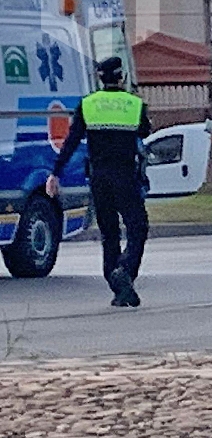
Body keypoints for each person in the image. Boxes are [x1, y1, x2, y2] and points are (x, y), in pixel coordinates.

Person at [45, 56, 151, 308]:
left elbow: (71, 141)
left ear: (100, 77)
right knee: (138, 227)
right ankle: (125, 270)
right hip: (126, 176)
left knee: (109, 232)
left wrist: (55, 173)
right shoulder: (134, 104)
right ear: (122, 77)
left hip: (99, 178)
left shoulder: (88, 104)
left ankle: (118, 287)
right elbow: (144, 131)